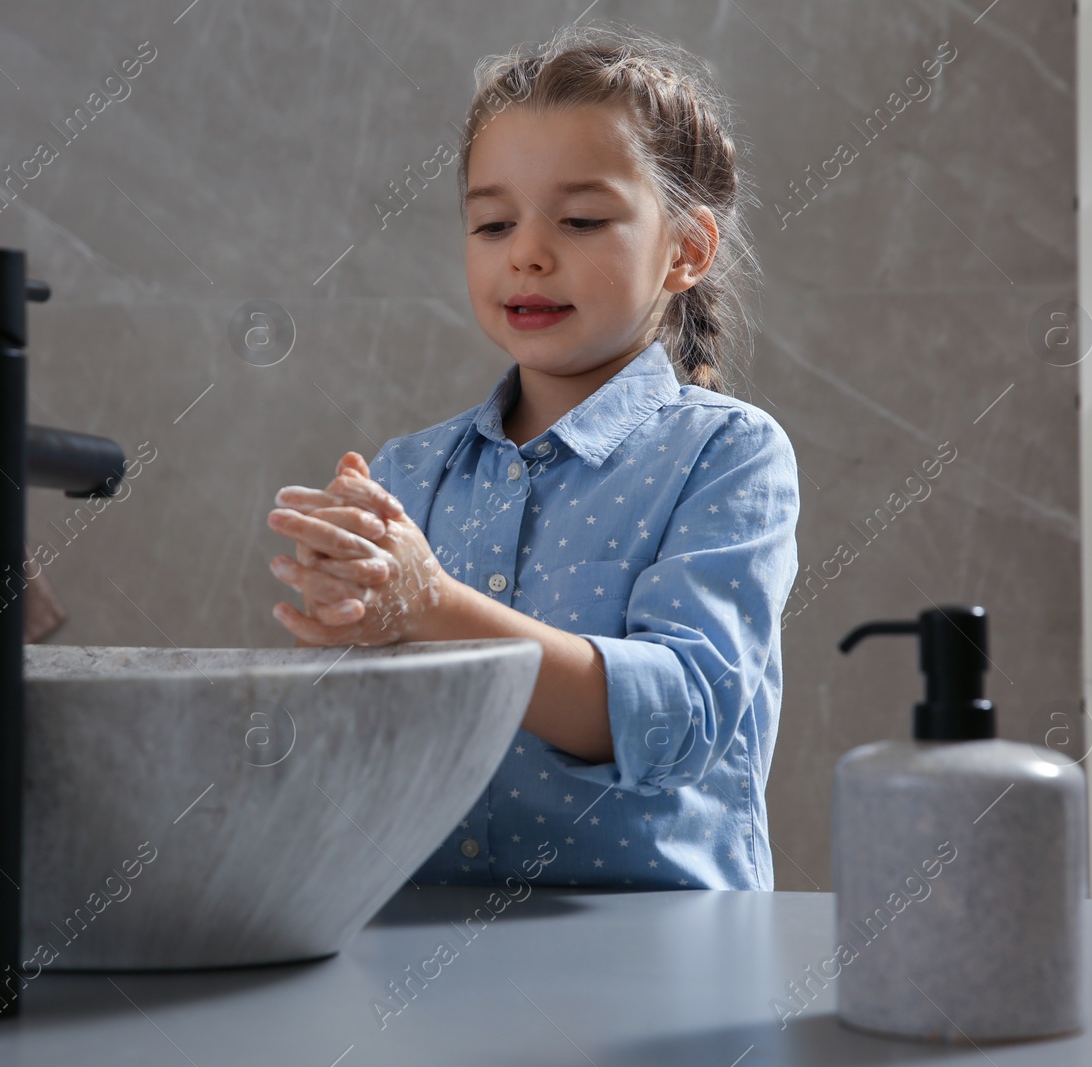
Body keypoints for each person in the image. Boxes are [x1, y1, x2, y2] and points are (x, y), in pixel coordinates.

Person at [265, 19, 800, 889]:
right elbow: (357, 756)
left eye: (583, 219)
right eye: (492, 224)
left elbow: (678, 719)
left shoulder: (726, 455)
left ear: (687, 250)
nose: (528, 252)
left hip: (657, 964)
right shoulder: (409, 475)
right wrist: (346, 636)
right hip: (422, 950)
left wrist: (431, 602)